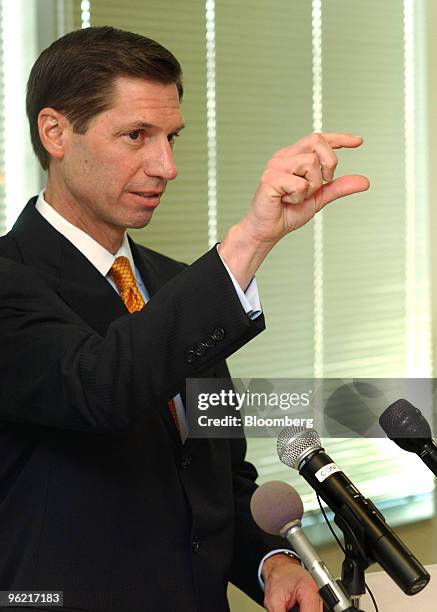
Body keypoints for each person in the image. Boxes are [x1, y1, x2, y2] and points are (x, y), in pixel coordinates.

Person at [0, 26, 369, 612]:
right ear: (55, 132)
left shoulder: (174, 285)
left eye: (171, 137)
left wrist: (271, 561)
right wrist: (249, 241)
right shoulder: (10, 277)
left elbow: (218, 472)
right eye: (136, 136)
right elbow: (102, 385)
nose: (166, 166)